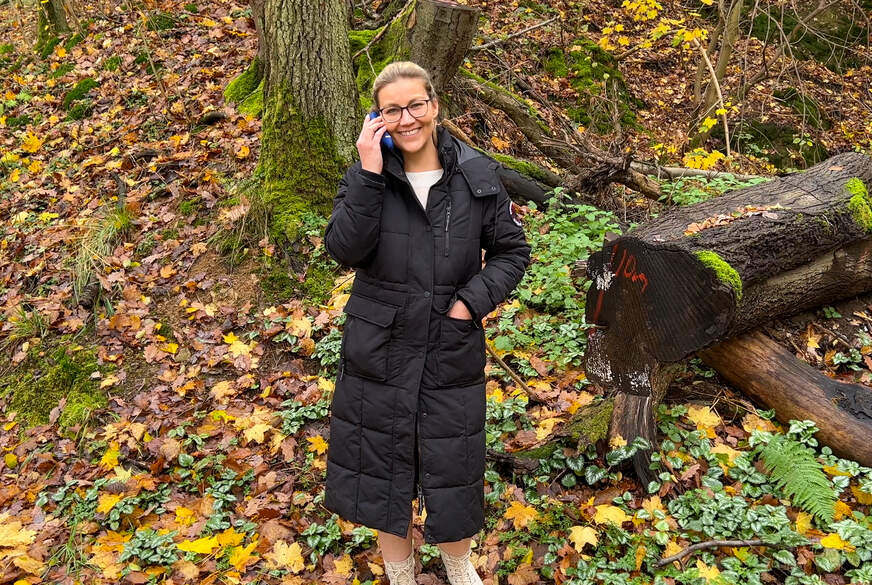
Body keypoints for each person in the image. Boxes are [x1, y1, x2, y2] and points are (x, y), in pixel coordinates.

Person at [323, 61, 530, 585]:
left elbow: (512, 252)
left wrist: (468, 305)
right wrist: (369, 172)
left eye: (415, 104)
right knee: (381, 467)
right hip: (379, 346)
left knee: (452, 463)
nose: (406, 118)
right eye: (392, 110)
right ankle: (400, 572)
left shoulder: (477, 174)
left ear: (435, 105)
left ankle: (458, 565)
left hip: (449, 344)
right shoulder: (365, 176)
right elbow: (344, 250)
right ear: (377, 118)